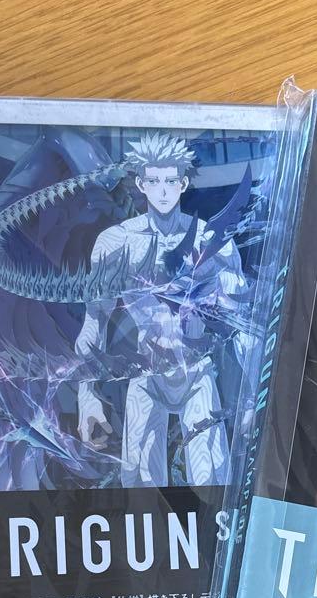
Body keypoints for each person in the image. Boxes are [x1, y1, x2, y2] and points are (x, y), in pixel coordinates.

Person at [74, 132, 249, 487]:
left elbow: (243, 325)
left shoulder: (212, 242)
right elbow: (94, 322)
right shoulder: (116, 244)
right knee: (139, 492)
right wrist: (86, 397)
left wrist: (250, 401)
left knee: (212, 486)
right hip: (147, 373)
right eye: (153, 181)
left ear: (183, 183)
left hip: (197, 374)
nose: (163, 191)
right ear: (141, 184)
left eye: (170, 181)